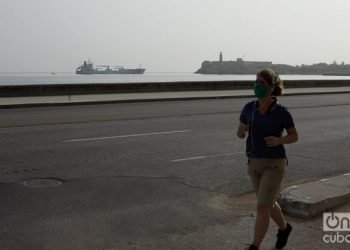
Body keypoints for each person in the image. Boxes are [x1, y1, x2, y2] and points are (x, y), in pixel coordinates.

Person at [237, 68, 299, 250]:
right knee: (269, 204)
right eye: (256, 82)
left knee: (262, 206)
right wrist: (241, 131)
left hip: (274, 164)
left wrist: (279, 140)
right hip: (254, 163)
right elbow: (240, 134)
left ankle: (254, 246)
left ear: (272, 87)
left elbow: (294, 136)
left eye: (262, 83)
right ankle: (285, 228)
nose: (257, 86)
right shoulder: (249, 107)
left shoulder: (281, 112)